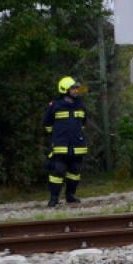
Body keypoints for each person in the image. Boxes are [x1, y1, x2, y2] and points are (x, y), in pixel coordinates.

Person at [43, 76, 87, 206]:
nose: (76, 90)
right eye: (73, 88)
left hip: (77, 145)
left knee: (75, 171)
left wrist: (76, 134)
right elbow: (47, 124)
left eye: (76, 88)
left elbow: (83, 123)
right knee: (58, 171)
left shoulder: (80, 104)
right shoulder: (55, 105)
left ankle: (70, 196)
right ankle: (54, 198)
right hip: (61, 145)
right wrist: (57, 136)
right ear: (65, 90)